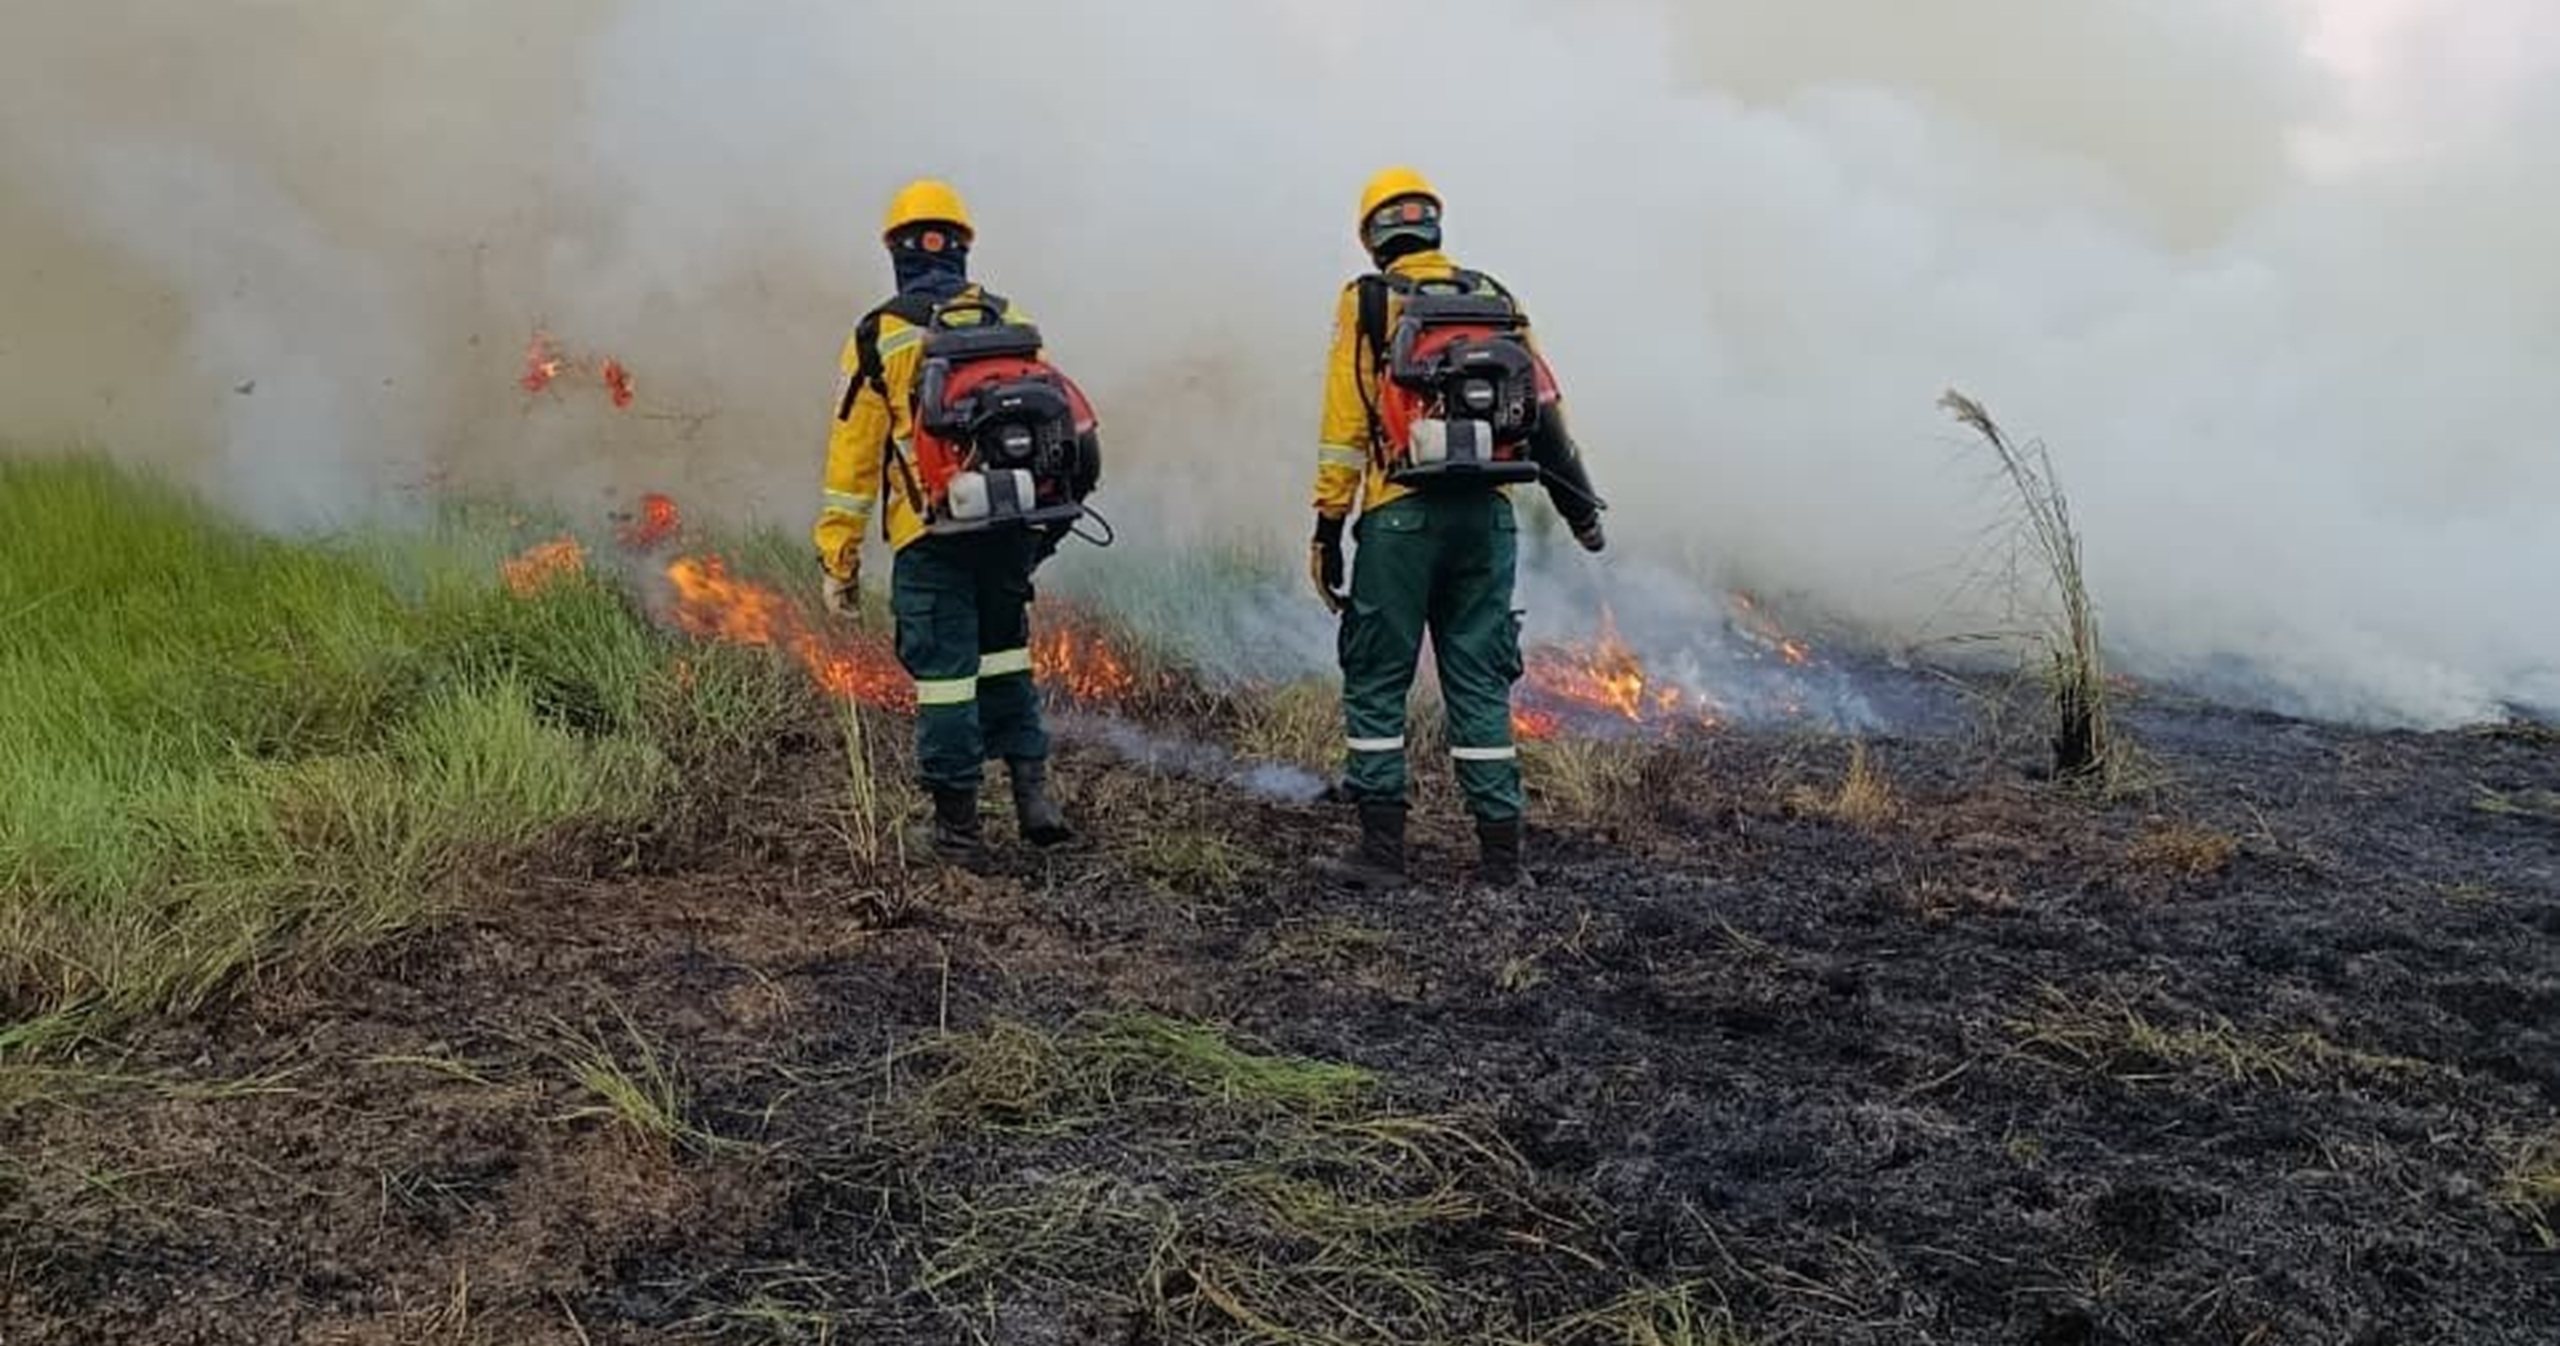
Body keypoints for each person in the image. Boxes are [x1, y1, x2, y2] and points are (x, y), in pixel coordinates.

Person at [1308, 166, 1608, 889]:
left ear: (1373, 235)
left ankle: (1382, 852)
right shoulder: (1495, 299)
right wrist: (1582, 514)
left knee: (1378, 678)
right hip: (1488, 517)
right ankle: (1503, 861)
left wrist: (1327, 526)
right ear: (1433, 224)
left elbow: (1345, 424)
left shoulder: (1370, 301)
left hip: (1400, 517)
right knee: (1478, 681)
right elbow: (1543, 418)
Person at [814, 177, 1099, 869]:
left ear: (896, 253)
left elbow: (853, 460)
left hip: (931, 535)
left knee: (945, 677)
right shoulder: (1009, 316)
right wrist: (1040, 536)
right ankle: (1036, 799)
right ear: (963, 248)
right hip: (1009, 526)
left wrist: (838, 560)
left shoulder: (881, 333)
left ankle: (958, 830)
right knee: (1008, 659)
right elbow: (1063, 427)